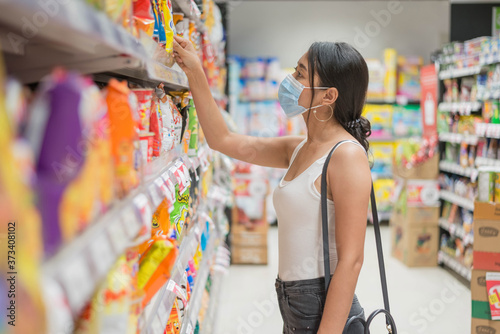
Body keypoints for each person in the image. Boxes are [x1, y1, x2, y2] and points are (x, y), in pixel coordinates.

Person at [172, 35, 372, 334]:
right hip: (294, 299)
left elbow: (352, 260)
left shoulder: (346, 156)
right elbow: (223, 140)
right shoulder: (299, 148)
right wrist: (195, 73)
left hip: (324, 304)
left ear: (328, 96)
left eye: (300, 74)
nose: (289, 81)